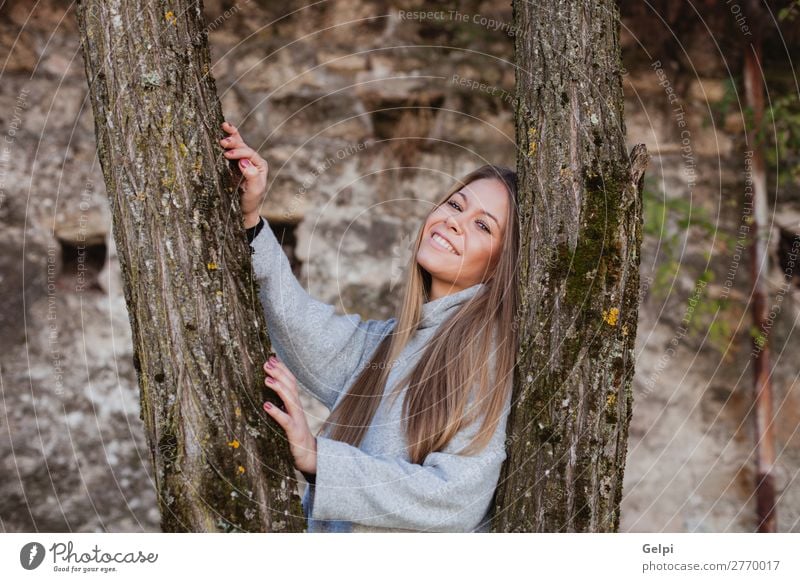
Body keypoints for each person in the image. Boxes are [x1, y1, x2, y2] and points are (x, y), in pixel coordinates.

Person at [219, 121, 520, 532]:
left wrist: (317, 458)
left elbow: (455, 499)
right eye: (455, 205)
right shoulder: (392, 343)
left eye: (483, 226)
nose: (455, 222)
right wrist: (250, 217)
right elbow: (302, 326)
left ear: (502, 264)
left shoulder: (487, 356)